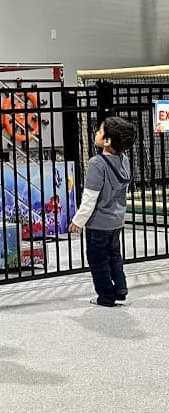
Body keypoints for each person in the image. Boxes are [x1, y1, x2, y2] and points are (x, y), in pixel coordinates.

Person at [69, 116, 136, 307]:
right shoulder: (124, 161)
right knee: (114, 255)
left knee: (98, 260)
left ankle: (106, 296)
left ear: (107, 141)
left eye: (99, 132)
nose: (96, 134)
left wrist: (78, 221)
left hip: (98, 223)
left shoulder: (97, 164)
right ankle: (121, 288)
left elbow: (90, 198)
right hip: (117, 221)